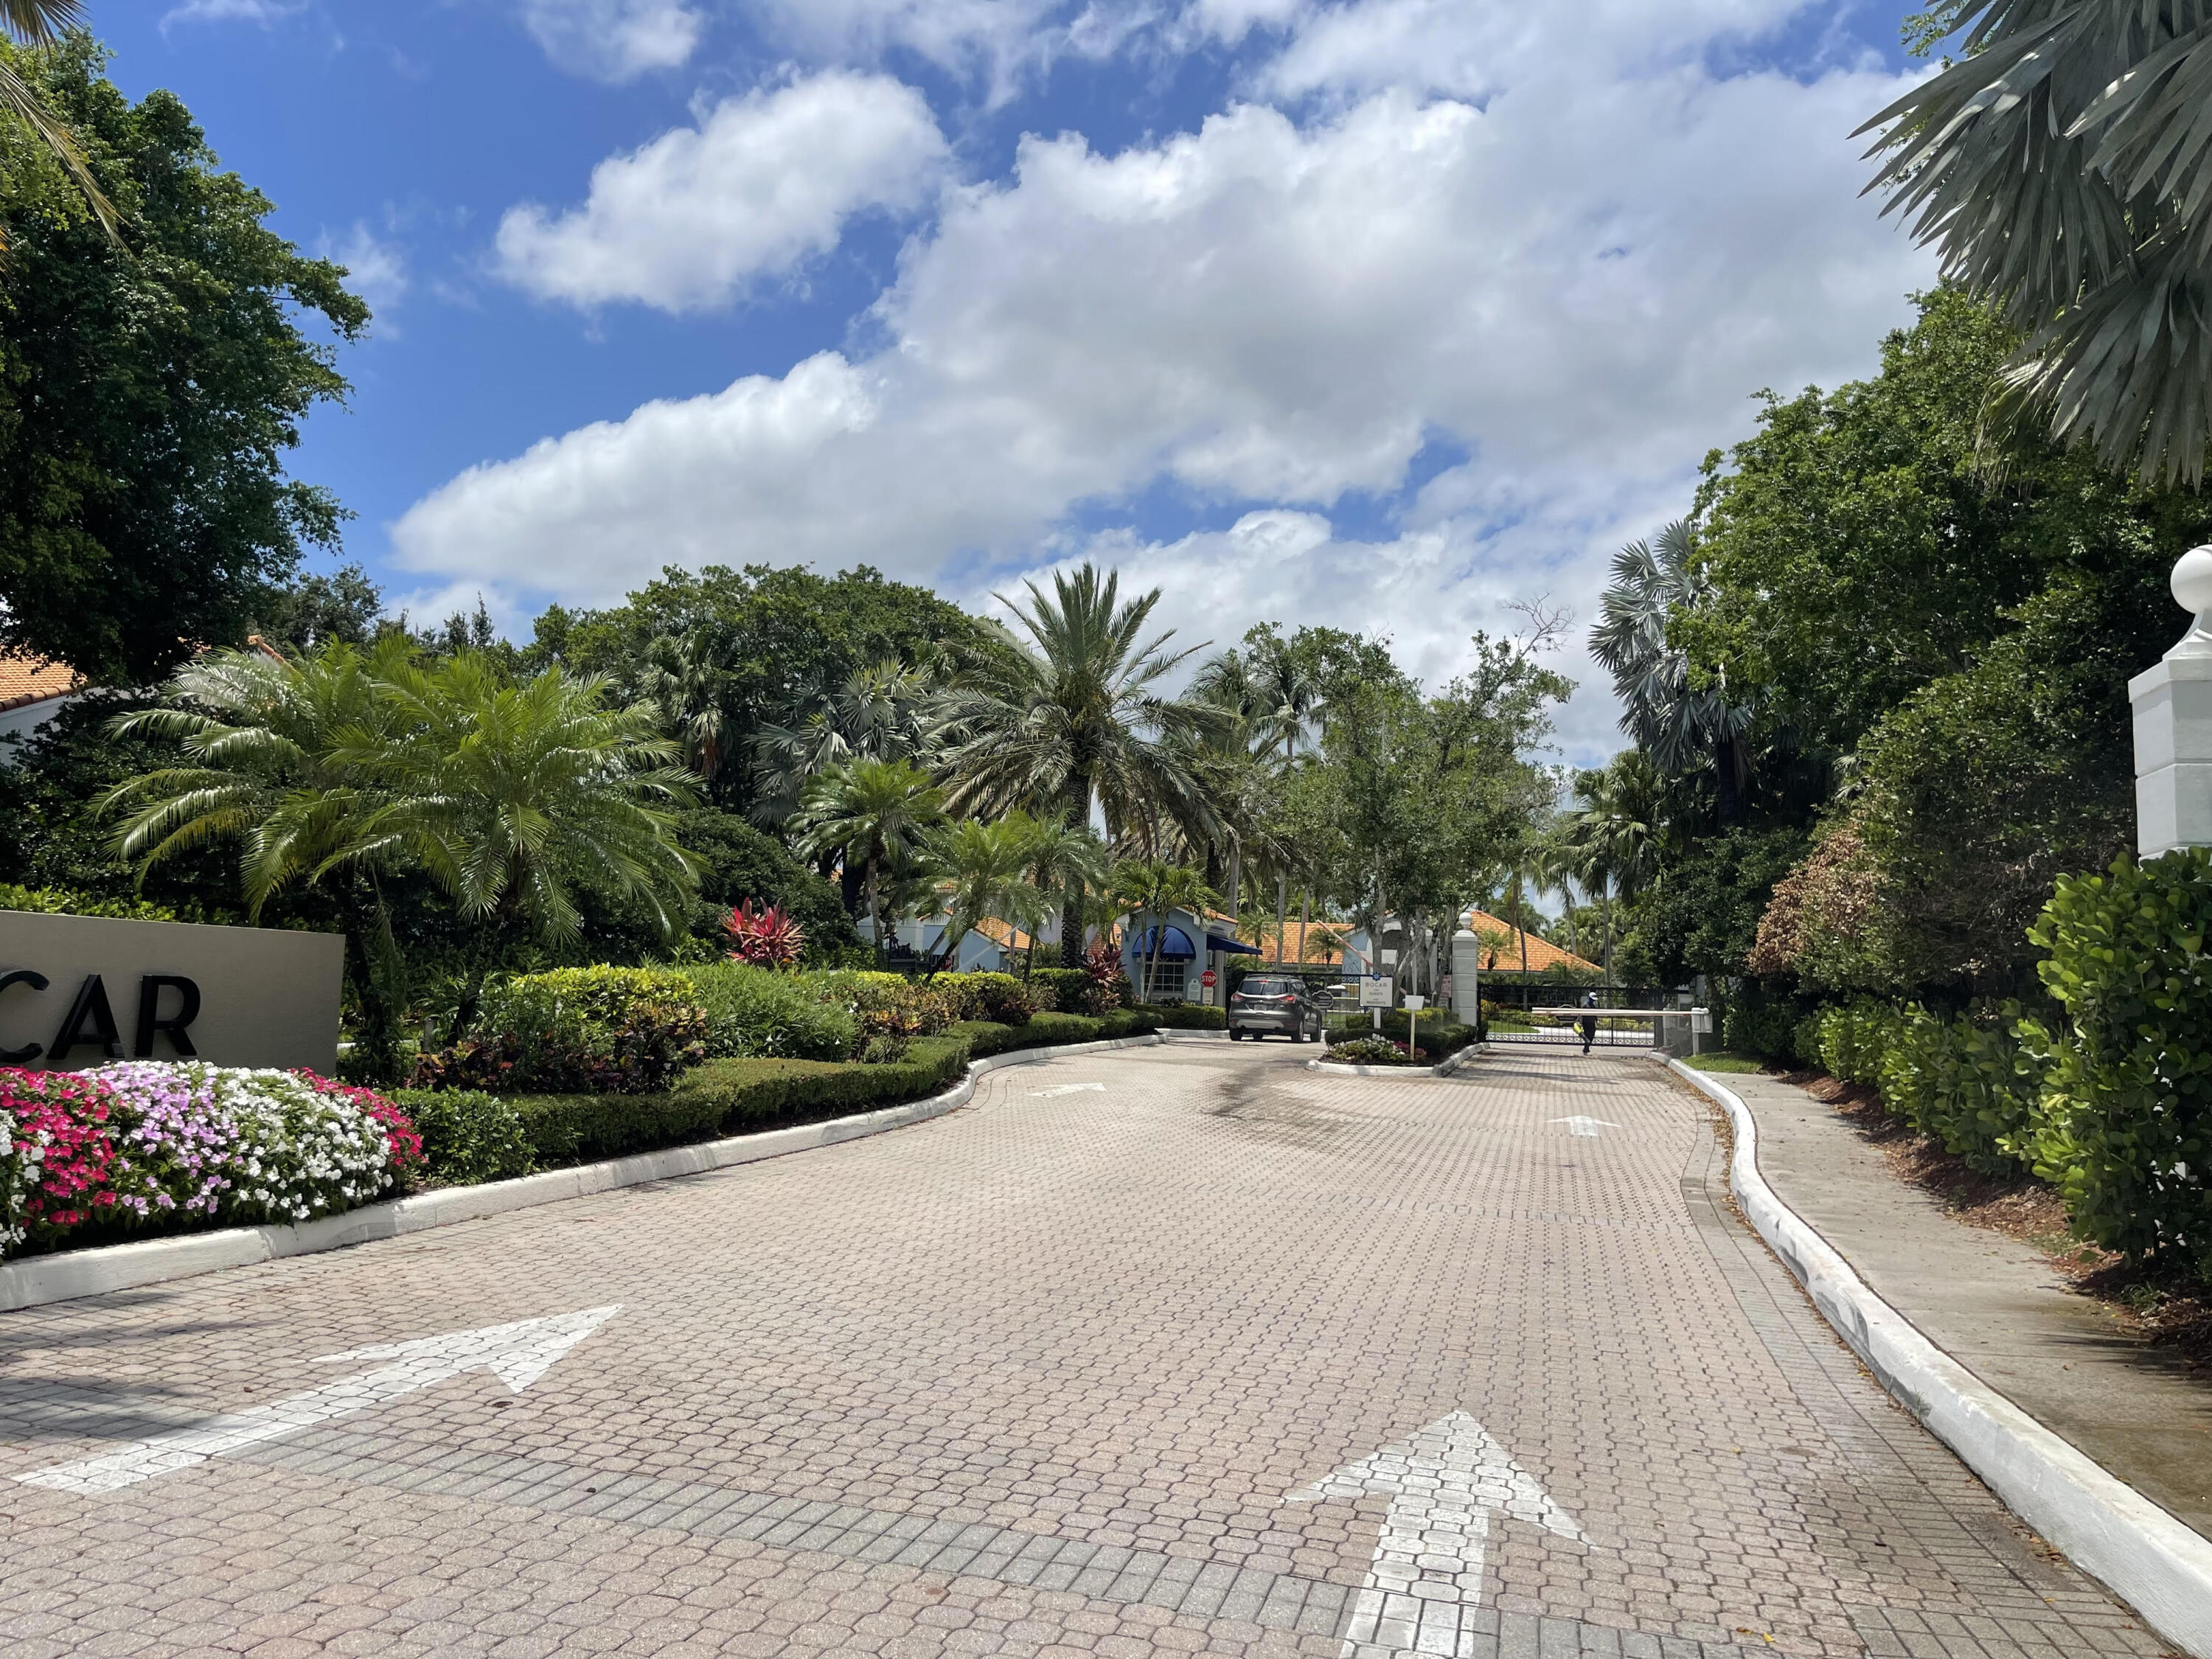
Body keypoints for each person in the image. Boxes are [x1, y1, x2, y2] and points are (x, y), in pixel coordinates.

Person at [1579, 989, 1599, 1055]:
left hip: (1592, 1022)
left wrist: (1597, 1020)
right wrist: (1580, 1023)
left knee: (1592, 1035)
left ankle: (1586, 1048)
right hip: (1586, 1023)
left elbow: (1594, 1013)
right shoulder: (1585, 1005)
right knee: (1587, 1036)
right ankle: (1586, 1049)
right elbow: (1580, 1014)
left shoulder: (1593, 1005)